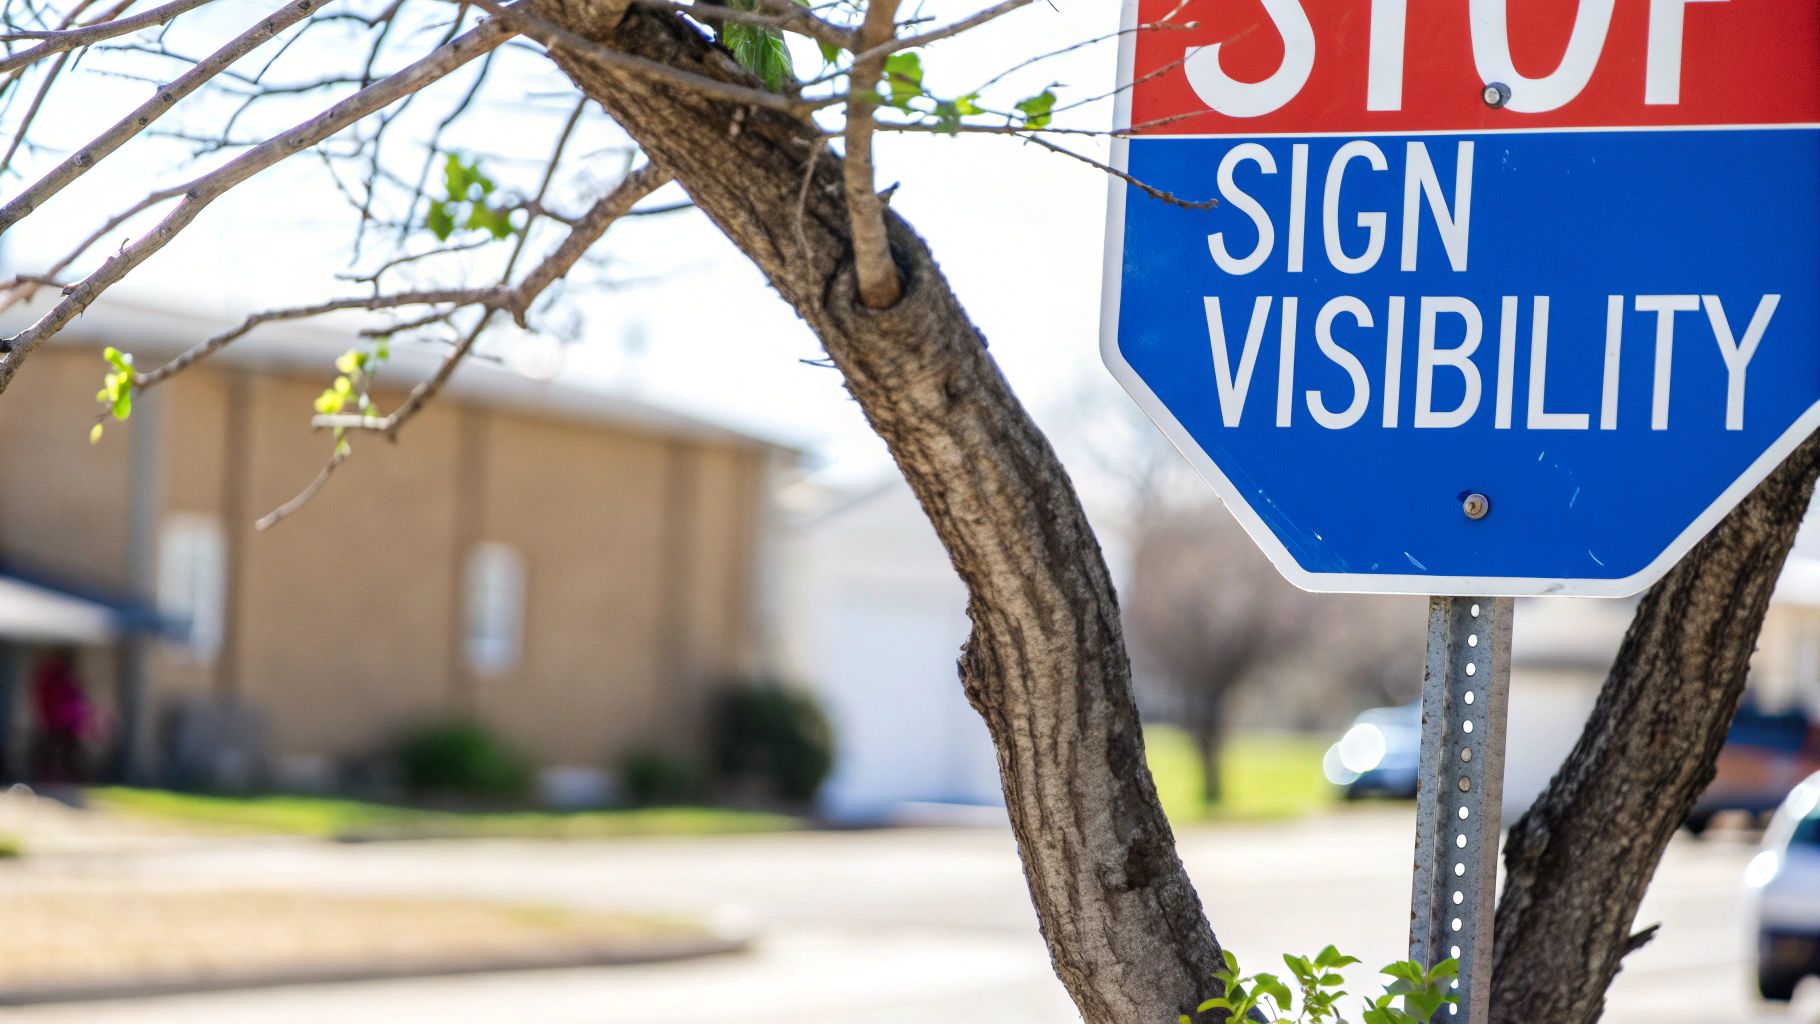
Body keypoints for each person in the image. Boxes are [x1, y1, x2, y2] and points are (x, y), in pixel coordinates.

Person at [30, 648, 92, 783]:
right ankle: (55, 778)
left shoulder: (58, 678)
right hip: (59, 723)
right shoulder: (59, 679)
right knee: (60, 754)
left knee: (65, 754)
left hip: (60, 723)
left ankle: (65, 778)